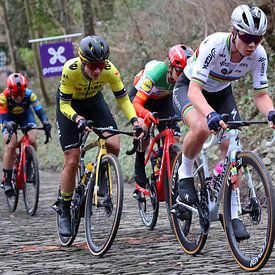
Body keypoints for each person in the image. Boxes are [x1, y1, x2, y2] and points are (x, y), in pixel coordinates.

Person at [172, 4, 275, 241]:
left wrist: (271, 113)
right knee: (200, 127)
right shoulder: (214, 45)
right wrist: (210, 115)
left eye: (257, 39)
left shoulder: (258, 55)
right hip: (189, 88)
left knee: (232, 147)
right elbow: (195, 91)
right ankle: (185, 172)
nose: (252, 45)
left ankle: (234, 214)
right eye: (247, 37)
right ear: (234, 32)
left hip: (221, 92)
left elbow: (260, 95)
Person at [56, 35, 143, 237]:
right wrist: (77, 119)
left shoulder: (110, 70)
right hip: (70, 108)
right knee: (72, 158)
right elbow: (63, 105)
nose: (97, 70)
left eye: (101, 65)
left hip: (94, 103)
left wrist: (135, 121)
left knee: (113, 142)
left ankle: (102, 172)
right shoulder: (70, 69)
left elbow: (122, 100)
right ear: (83, 62)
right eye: (93, 66)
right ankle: (65, 209)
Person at [129, 44, 193, 198]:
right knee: (143, 128)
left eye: (186, 71)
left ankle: (161, 158)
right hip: (142, 99)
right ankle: (139, 160)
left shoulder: (185, 78)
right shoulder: (157, 72)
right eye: (179, 71)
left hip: (164, 100)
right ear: (170, 67)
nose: (183, 75)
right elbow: (136, 103)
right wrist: (145, 114)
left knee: (174, 136)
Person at [0, 73, 52, 196]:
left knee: (32, 139)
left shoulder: (30, 95)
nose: (19, 97)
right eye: (16, 94)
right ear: (10, 90)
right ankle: (7, 180)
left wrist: (45, 122)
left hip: (25, 117)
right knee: (11, 145)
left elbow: (39, 111)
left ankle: (28, 163)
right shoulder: (3, 97)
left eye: (21, 93)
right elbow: (2, 119)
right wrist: (7, 124)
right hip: (8, 119)